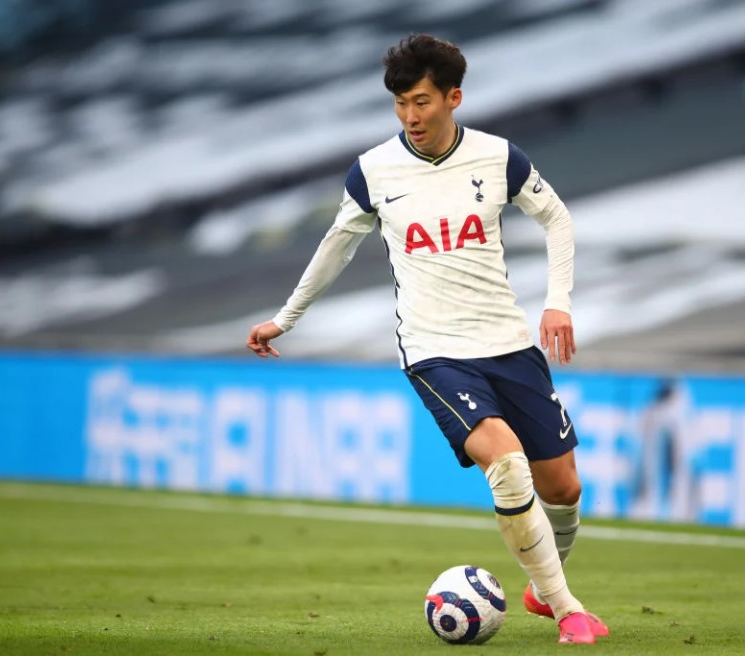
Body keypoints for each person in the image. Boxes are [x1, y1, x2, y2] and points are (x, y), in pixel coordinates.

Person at [247, 33, 608, 645]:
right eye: (399, 105)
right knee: (507, 464)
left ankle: (544, 585)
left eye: (420, 102)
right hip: (435, 351)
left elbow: (557, 219)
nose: (410, 117)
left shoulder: (499, 158)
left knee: (564, 487)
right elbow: (338, 243)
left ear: (452, 97)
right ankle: (568, 607)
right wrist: (288, 317)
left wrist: (557, 303)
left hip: (508, 343)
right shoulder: (374, 170)